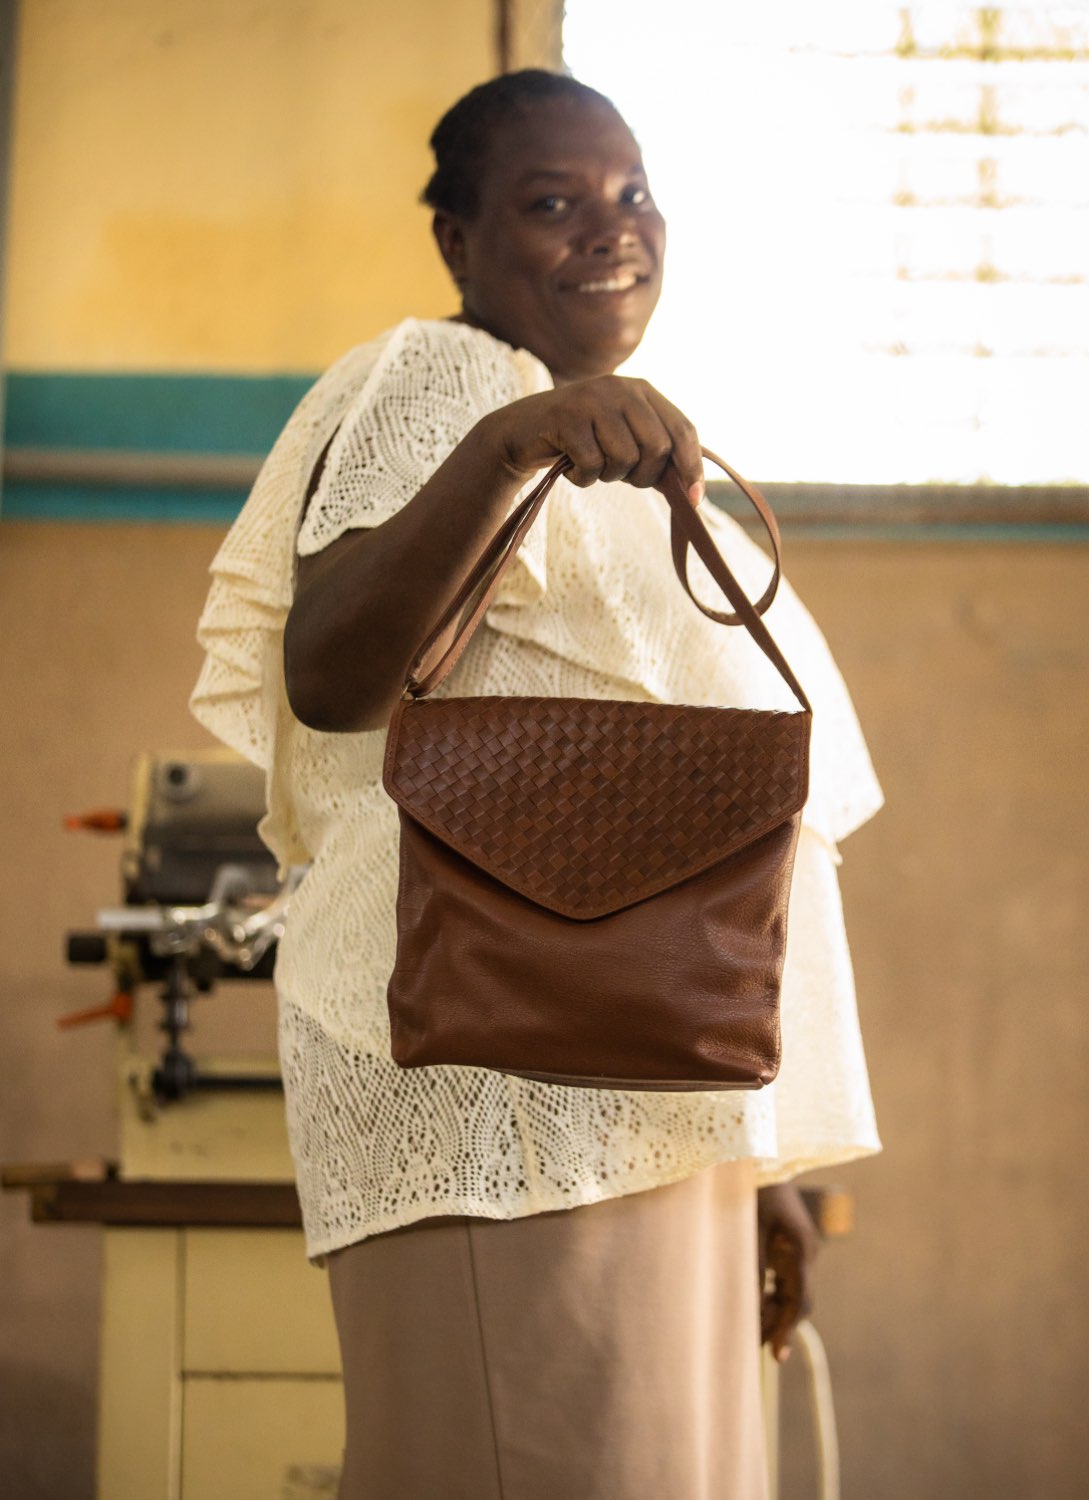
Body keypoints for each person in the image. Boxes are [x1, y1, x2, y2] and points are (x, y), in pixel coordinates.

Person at [191, 69, 883, 1500]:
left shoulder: (624, 447)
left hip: (651, 1089)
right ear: (457, 241)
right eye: (551, 203)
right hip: (500, 1103)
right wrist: (511, 448)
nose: (607, 231)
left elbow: (744, 851)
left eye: (631, 196)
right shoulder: (445, 381)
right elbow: (327, 668)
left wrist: (771, 1167)